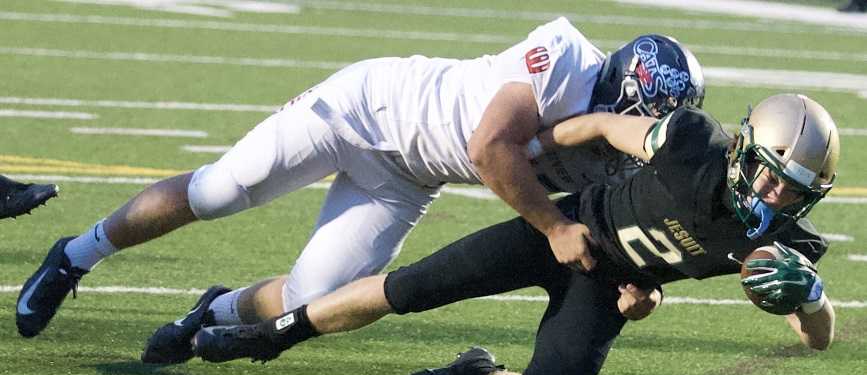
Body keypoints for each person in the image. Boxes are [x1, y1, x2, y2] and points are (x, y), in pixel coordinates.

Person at [15, 18, 706, 341]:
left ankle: (212, 310)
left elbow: (626, 229)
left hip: (405, 178)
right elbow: (489, 147)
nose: (625, 130)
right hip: (362, 108)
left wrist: (635, 286)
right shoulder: (563, 56)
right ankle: (76, 256)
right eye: (623, 113)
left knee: (311, 301)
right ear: (614, 83)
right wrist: (554, 226)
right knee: (220, 189)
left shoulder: (628, 145)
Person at [180, 93, 838, 375]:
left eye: (794, 189)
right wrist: (536, 155)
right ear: (743, 150)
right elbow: (607, 126)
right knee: (413, 287)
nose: (775, 193)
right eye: (770, 173)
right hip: (561, 229)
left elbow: (814, 336)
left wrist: (807, 298)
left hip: (607, 286)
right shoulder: (692, 143)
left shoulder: (780, 245)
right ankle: (269, 334)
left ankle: (474, 370)